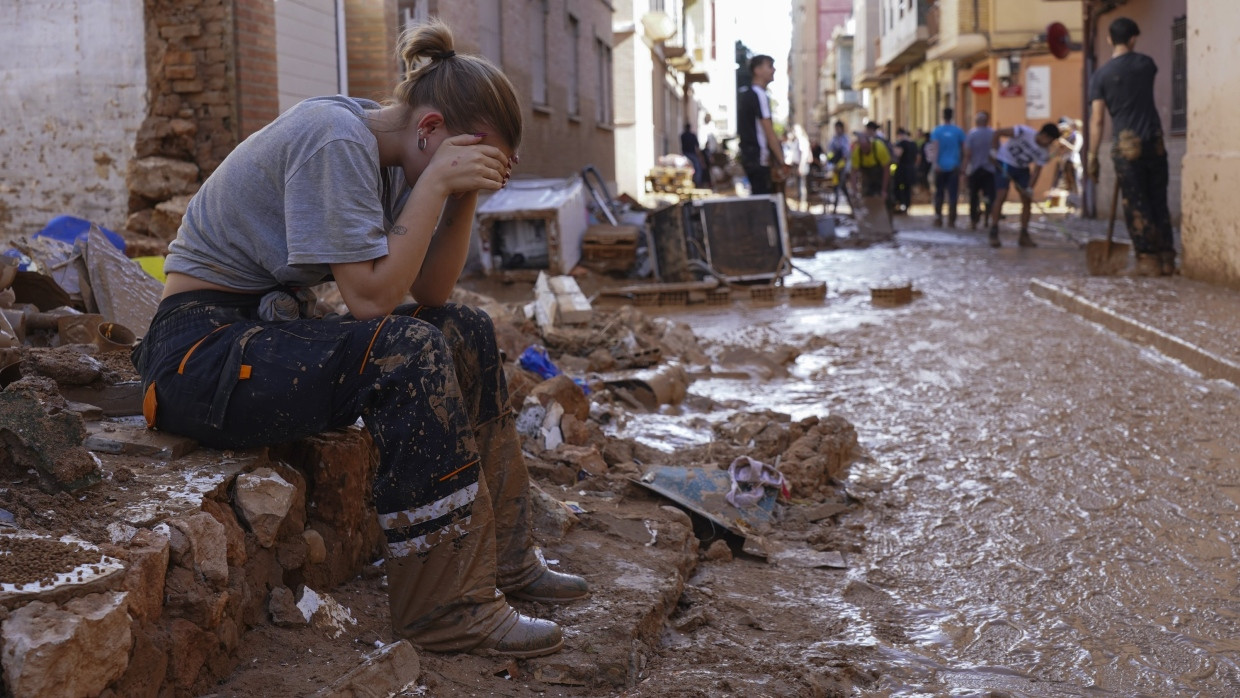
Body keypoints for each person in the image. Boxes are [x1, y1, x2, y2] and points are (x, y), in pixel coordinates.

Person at [130, 20, 586, 659]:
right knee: (407, 350)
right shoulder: (334, 140)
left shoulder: (399, 156)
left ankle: (507, 561)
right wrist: (435, 182)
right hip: (197, 356)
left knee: (465, 329)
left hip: (264, 332)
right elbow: (371, 302)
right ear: (429, 129)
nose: (466, 170)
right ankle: (445, 609)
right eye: (468, 154)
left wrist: (460, 198)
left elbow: (430, 294)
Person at [1087, 17, 1175, 276]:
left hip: (1126, 146)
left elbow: (1097, 119)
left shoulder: (1100, 76)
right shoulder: (1147, 64)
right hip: (1155, 141)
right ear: (1134, 38)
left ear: (1108, 39)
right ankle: (1167, 258)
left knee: (1136, 203)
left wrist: (1093, 156)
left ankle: (1147, 261)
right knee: (1158, 200)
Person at [989, 122, 1061, 247]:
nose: (1050, 143)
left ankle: (1024, 234)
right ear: (1043, 135)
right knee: (1001, 195)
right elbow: (998, 133)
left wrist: (1029, 188)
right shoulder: (1023, 132)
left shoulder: (1044, 153)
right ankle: (994, 231)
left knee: (1027, 200)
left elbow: (1036, 171)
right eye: (1049, 139)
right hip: (1005, 163)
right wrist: (993, 150)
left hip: (1022, 169)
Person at [737, 54, 788, 195]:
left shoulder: (749, 95)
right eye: (769, 66)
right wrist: (781, 161)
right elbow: (769, 131)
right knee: (764, 204)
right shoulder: (759, 94)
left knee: (760, 201)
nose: (773, 70)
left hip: (751, 157)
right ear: (757, 70)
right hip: (758, 159)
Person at [930, 108, 967, 227]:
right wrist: (963, 165)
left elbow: (935, 148)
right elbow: (964, 149)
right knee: (952, 194)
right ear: (952, 116)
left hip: (940, 167)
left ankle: (938, 217)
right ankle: (952, 219)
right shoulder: (958, 131)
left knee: (939, 192)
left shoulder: (937, 131)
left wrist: (935, 164)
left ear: (942, 116)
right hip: (954, 166)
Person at [962, 110, 996, 231]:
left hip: (975, 170)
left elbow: (967, 154)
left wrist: (964, 170)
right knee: (989, 196)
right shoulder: (993, 133)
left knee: (973, 196)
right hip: (989, 170)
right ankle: (988, 218)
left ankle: (973, 220)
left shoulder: (972, 134)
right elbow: (998, 152)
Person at [850, 130, 891, 201]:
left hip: (881, 177)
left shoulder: (879, 147)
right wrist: (854, 191)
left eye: (865, 147)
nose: (864, 150)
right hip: (867, 179)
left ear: (869, 143)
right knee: (866, 198)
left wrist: (884, 190)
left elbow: (886, 170)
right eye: (862, 148)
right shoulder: (857, 152)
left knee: (885, 200)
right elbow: (854, 173)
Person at [893, 128, 919, 213]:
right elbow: (918, 157)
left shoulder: (901, 143)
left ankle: (901, 203)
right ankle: (907, 205)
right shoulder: (913, 143)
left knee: (898, 187)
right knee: (907, 188)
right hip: (911, 168)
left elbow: (897, 155)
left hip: (902, 168)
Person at [681, 122, 707, 187]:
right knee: (698, 168)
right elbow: (697, 147)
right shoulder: (692, 136)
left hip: (685, 154)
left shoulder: (682, 136)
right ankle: (697, 182)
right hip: (691, 154)